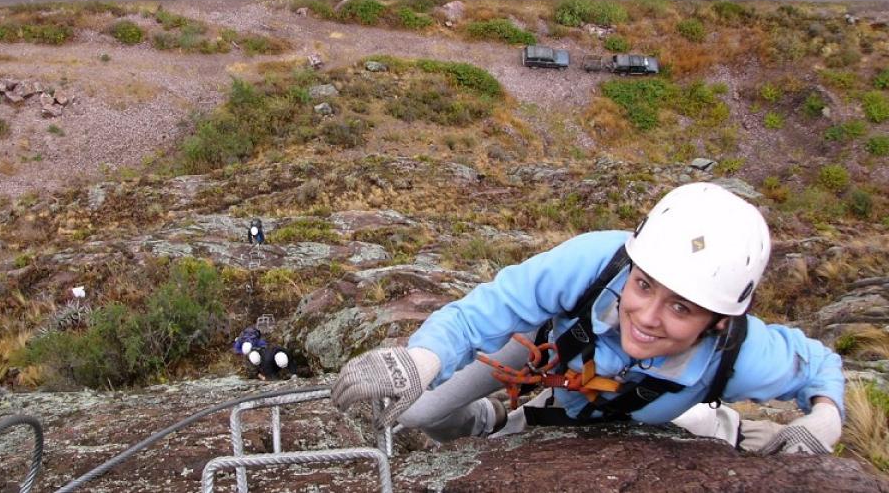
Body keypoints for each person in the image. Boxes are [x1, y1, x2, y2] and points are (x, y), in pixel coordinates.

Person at [331, 182, 844, 454]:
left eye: (682, 307)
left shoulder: (742, 355)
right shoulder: (595, 262)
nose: (645, 316)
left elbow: (819, 368)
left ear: (717, 322)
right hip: (548, 351)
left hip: (627, 410)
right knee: (419, 412)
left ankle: (715, 423)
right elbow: (486, 311)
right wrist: (421, 360)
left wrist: (823, 419)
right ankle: (487, 419)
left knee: (686, 427)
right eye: (644, 286)